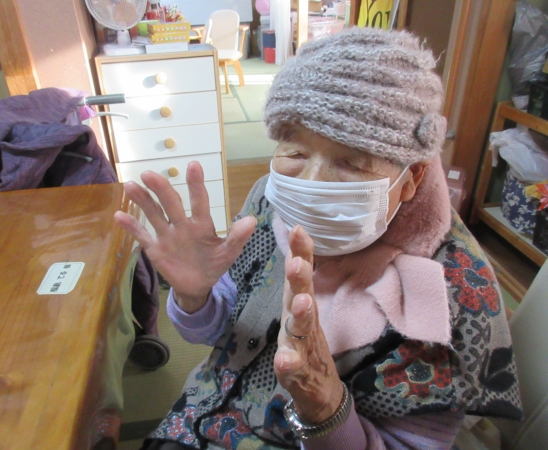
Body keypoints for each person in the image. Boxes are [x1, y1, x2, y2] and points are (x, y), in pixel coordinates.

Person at [115, 27, 522, 449]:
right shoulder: (269, 200)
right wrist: (194, 298)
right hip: (201, 416)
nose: (311, 182)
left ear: (411, 178)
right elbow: (222, 330)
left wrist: (325, 405)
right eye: (295, 152)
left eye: (352, 162)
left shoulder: (452, 293)